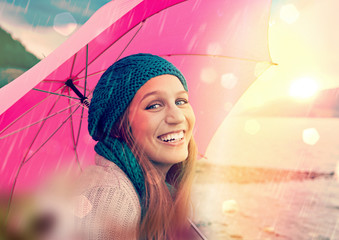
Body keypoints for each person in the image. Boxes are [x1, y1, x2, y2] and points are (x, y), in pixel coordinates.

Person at [73, 53, 201, 239]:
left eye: (181, 101)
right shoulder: (111, 196)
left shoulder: (161, 191)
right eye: (154, 105)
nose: (178, 117)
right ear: (118, 126)